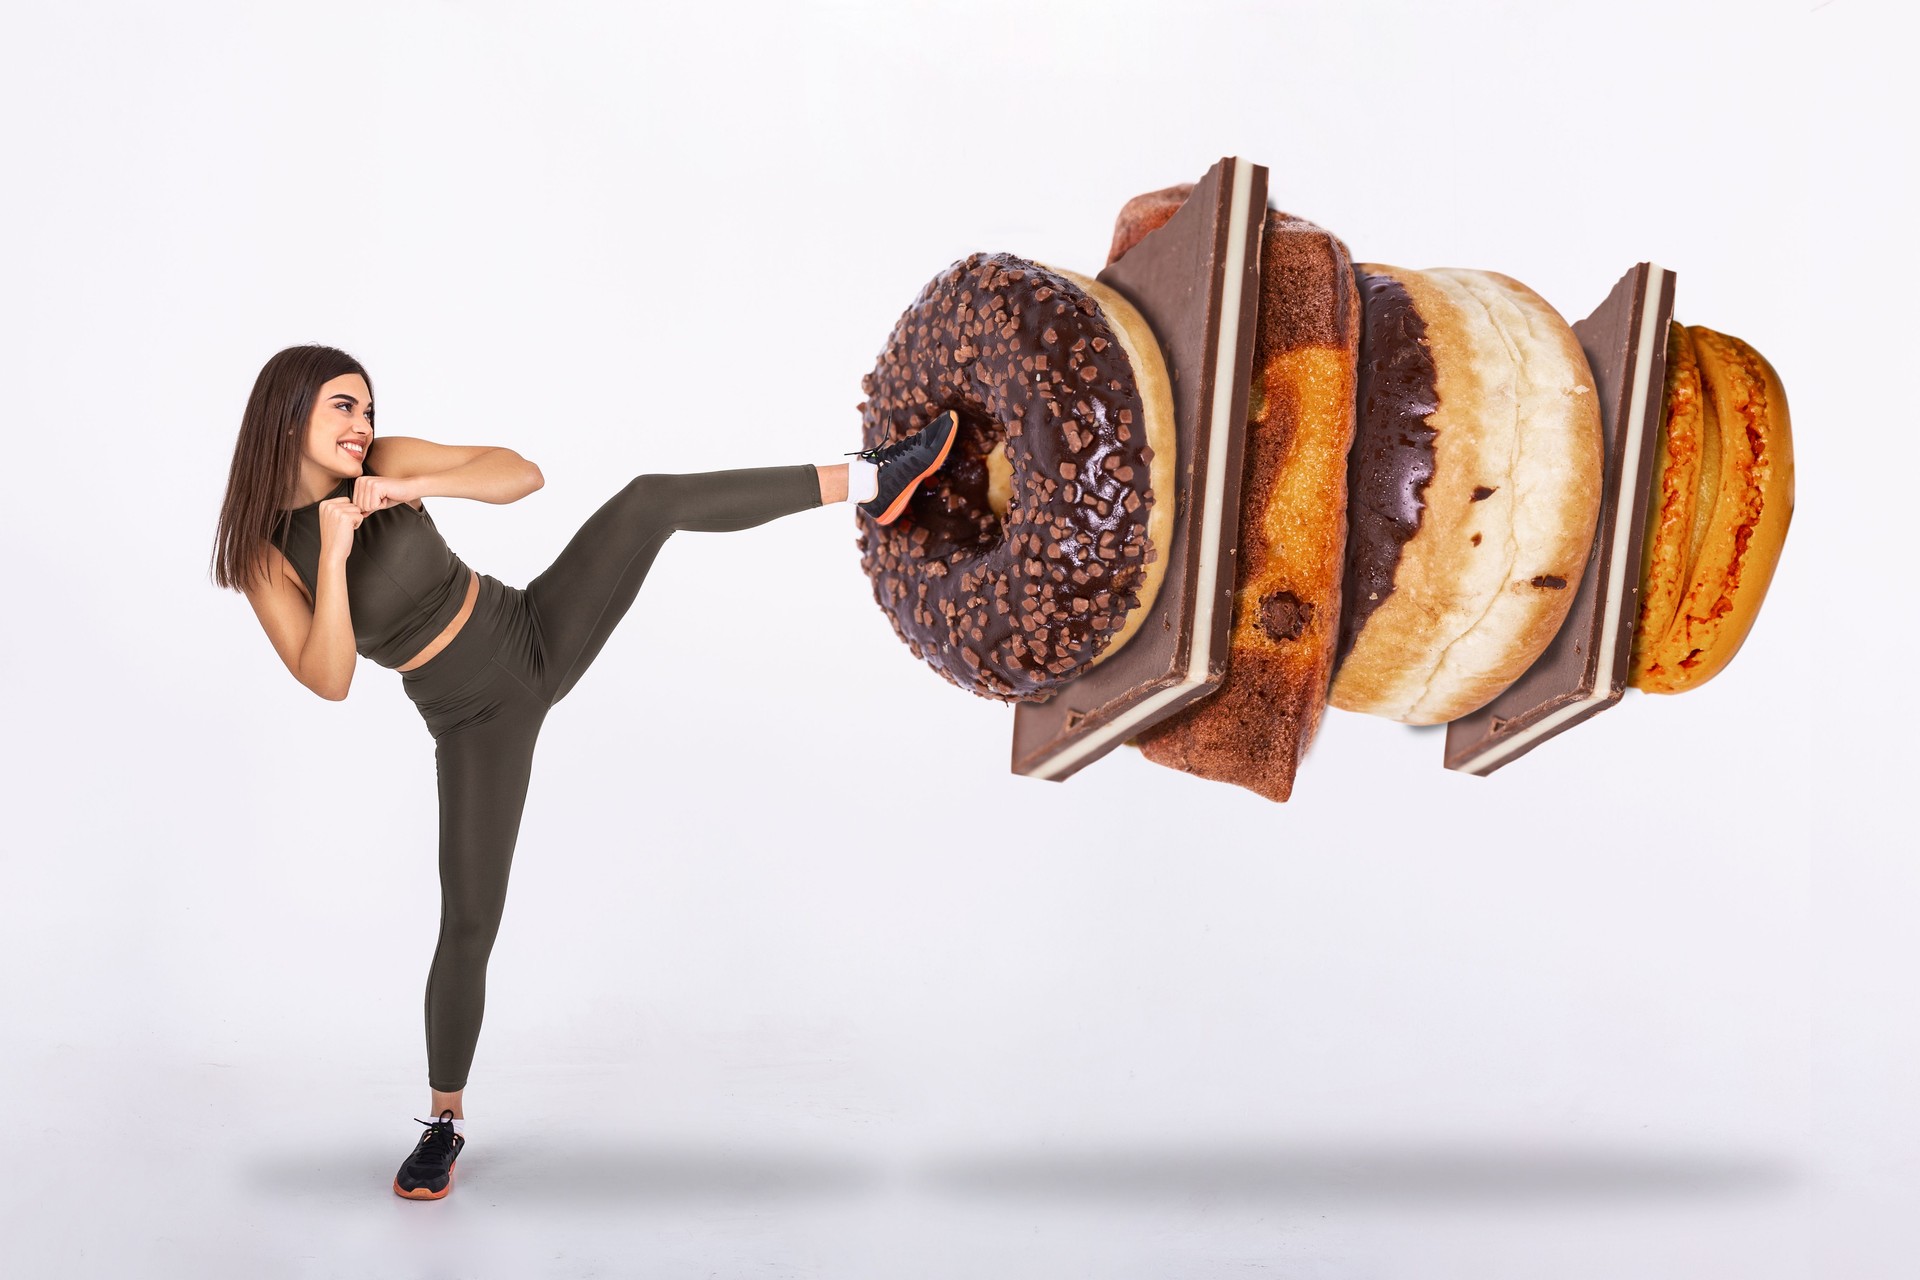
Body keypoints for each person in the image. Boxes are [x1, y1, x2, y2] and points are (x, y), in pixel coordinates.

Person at [208, 344, 957, 1199]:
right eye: (344, 407)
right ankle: (443, 1120)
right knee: (469, 922)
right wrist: (336, 553)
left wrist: (412, 487)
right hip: (473, 721)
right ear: (288, 410)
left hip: (533, 628)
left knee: (648, 502)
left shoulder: (383, 462)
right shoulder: (267, 555)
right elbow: (330, 677)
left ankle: (870, 479)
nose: (363, 425)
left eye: (368, 409)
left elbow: (520, 475)